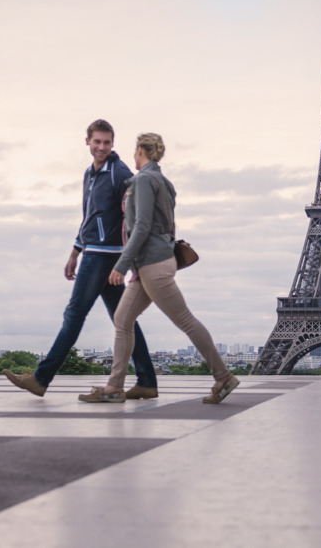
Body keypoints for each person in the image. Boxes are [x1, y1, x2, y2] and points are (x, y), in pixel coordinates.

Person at [5, 119, 159, 400]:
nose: (102, 147)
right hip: (92, 252)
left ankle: (41, 378)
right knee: (123, 321)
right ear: (86, 141)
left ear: (113, 144)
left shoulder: (119, 173)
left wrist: (124, 260)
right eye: (97, 141)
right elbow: (90, 217)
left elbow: (133, 215)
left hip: (104, 256)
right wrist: (75, 251)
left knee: (74, 315)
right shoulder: (90, 174)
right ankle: (147, 380)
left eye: (107, 142)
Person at [82, 132, 239, 404]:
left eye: (135, 150)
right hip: (154, 262)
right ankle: (114, 386)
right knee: (123, 320)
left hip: (153, 264)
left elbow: (141, 226)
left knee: (185, 320)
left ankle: (223, 376)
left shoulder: (143, 180)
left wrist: (122, 265)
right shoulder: (164, 181)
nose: (133, 155)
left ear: (141, 150)